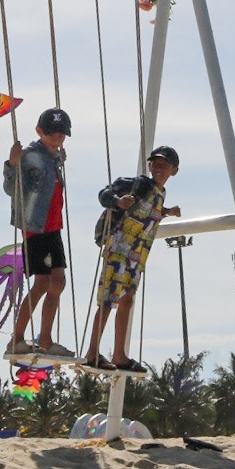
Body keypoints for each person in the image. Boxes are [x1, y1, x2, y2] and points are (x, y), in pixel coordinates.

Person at [81, 146, 181, 372]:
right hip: (119, 249)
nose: (158, 168)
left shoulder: (159, 193)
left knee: (127, 299)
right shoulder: (138, 184)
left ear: (174, 170)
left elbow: (148, 210)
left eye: (164, 165)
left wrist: (167, 212)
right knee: (108, 299)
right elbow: (104, 194)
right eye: (155, 164)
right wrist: (117, 201)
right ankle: (92, 352)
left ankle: (119, 355)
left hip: (137, 255)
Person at [3, 107, 74, 357]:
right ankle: (17, 338)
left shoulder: (53, 156)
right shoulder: (31, 155)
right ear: (40, 132)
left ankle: (45, 338)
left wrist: (59, 159)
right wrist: (12, 164)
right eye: (53, 133)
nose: (58, 137)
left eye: (62, 134)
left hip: (53, 227)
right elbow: (12, 188)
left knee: (59, 282)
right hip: (36, 228)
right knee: (43, 282)